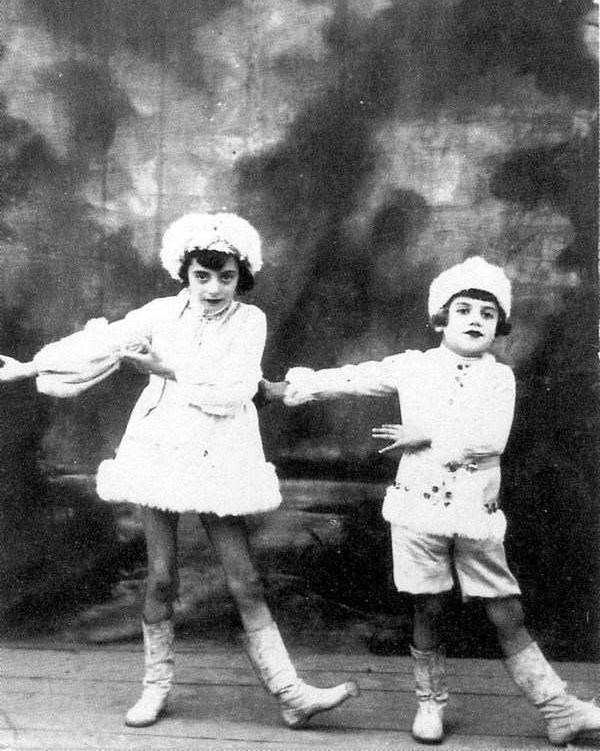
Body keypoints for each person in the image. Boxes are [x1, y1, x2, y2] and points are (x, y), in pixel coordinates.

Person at [0, 212, 358, 729]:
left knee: (245, 581)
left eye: (225, 277)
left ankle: (291, 693)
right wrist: (32, 367)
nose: (213, 289)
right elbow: (103, 343)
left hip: (219, 452)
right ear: (184, 274)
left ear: (241, 276)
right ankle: (155, 688)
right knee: (162, 577)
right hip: (160, 448)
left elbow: (234, 388)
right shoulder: (160, 314)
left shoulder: (250, 321)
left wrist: (166, 369)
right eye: (201, 276)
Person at [262, 256, 600, 745]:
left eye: (487, 314)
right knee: (429, 607)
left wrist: (426, 436)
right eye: (463, 310)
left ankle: (559, 708)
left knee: (506, 611)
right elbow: (353, 377)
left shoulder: (499, 378)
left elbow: (491, 441)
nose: (475, 321)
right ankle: (429, 704)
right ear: (441, 318)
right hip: (417, 510)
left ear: (499, 325)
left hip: (475, 515)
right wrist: (289, 388)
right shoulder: (414, 367)